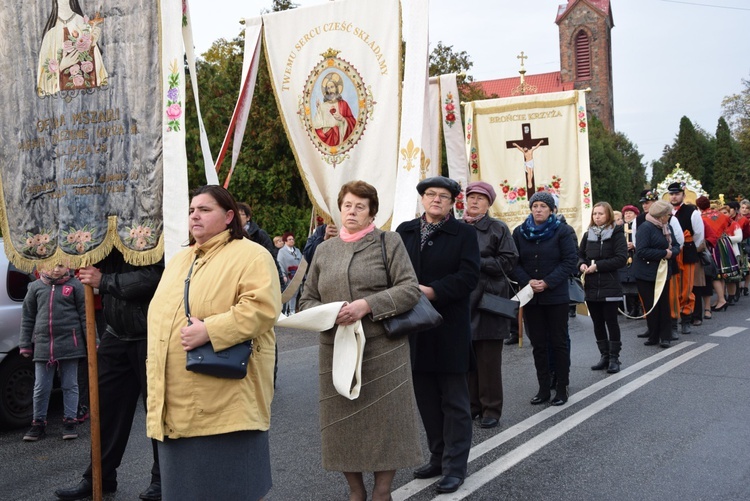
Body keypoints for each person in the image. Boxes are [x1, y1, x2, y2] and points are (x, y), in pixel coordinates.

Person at [145, 185, 280, 500]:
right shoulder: (180, 260)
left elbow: (262, 308)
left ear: (229, 216)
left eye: (205, 210)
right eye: (192, 210)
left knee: (227, 491)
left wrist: (211, 330)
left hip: (225, 404)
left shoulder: (251, 254)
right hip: (174, 404)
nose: (195, 216)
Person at [299, 181, 423, 501]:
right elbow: (306, 301)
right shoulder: (324, 250)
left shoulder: (389, 242)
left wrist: (367, 305)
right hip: (336, 348)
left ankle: (383, 490)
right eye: (347, 206)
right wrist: (331, 312)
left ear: (372, 214)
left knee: (386, 422)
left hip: (383, 348)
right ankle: (355, 491)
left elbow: (409, 289)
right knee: (342, 425)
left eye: (359, 207)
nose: (351, 212)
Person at [55, 249, 164, 501]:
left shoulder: (153, 228)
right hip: (115, 333)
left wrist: (103, 281)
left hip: (152, 335)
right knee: (106, 410)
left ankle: (163, 478)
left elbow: (156, 275)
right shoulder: (108, 232)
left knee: (159, 411)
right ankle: (99, 476)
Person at [396, 176, 480, 494]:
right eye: (430, 194)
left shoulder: (464, 233)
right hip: (413, 328)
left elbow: (469, 275)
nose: (436, 200)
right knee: (427, 400)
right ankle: (438, 456)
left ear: (451, 202)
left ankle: (455, 467)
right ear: (422, 199)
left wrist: (434, 291)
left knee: (455, 403)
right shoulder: (404, 231)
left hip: (448, 327)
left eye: (443, 196)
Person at [512, 191, 577, 406]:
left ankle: (561, 387)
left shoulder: (563, 231)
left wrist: (547, 282)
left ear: (551, 210)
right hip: (531, 297)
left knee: (558, 342)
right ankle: (543, 388)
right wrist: (528, 281)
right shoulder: (520, 232)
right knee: (538, 344)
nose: (538, 209)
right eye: (535, 205)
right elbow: (514, 263)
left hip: (555, 296)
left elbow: (569, 261)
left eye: (543, 206)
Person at [462, 181, 518, 429]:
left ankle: (491, 409)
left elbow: (508, 261)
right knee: (468, 359)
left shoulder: (498, 228)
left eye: (480, 198)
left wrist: (477, 262)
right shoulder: (457, 227)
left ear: (489, 203)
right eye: (471, 197)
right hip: (463, 301)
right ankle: (472, 405)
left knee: (489, 361)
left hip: (489, 300)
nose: (474, 202)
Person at [19, 264, 86, 441]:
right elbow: (27, 317)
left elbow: (85, 316)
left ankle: (70, 420)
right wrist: (25, 343)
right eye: (51, 265)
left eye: (61, 265)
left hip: (70, 344)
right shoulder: (35, 287)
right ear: (42, 266)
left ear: (68, 266)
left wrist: (93, 342)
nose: (56, 270)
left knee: (70, 384)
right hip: (43, 344)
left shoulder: (75, 285)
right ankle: (38, 423)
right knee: (41, 387)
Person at [578, 202, 628, 373]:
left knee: (611, 322)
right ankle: (604, 356)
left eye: (600, 214)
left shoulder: (616, 234)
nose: (597, 217)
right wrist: (582, 265)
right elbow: (580, 255)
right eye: (594, 214)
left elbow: (621, 258)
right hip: (592, 286)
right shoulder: (588, 235)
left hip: (610, 284)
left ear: (608, 215)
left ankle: (615, 358)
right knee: (597, 322)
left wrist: (598, 266)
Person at [633, 201, 681, 349]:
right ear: (661, 216)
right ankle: (653, 334)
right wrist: (664, 253)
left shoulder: (667, 227)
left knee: (663, 304)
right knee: (650, 305)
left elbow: (677, 245)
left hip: (663, 271)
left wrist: (672, 252)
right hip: (646, 273)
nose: (670, 216)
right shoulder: (645, 228)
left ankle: (665, 336)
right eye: (668, 214)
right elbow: (641, 251)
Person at [37, 0, 108, 97]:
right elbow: (43, 86)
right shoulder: (50, 35)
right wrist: (61, 67)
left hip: (86, 98)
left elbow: (99, 75)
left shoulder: (82, 24)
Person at [667, 182, 704, 335]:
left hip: (687, 252)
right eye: (671, 194)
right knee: (672, 289)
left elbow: (699, 235)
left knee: (687, 288)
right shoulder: (665, 211)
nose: (674, 196)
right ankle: (673, 320)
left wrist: (687, 248)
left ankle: (686, 318)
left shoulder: (692, 211)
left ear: (683, 195)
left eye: (677, 193)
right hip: (670, 254)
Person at [312, 72, 357, 147]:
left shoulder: (343, 104)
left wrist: (343, 119)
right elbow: (316, 125)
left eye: (332, 87)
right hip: (326, 139)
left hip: (339, 138)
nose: (330, 90)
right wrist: (318, 109)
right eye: (328, 88)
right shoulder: (323, 106)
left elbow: (353, 122)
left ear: (336, 88)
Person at [620, 205, 641, 317]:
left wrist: (634, 245)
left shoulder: (638, 226)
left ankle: (638, 306)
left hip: (635, 255)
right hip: (624, 257)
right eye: (626, 213)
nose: (627, 215)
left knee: (635, 281)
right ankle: (631, 307)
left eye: (630, 213)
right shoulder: (620, 227)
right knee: (625, 282)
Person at [277, 232, 302, 315]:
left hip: (296, 276)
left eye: (292, 239)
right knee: (287, 294)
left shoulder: (297, 251)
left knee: (295, 293)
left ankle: (292, 311)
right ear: (285, 241)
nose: (291, 241)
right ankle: (285, 311)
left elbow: (302, 262)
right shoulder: (282, 252)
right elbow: (280, 263)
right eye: (289, 239)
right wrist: (283, 275)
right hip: (287, 276)